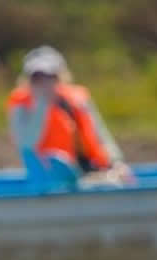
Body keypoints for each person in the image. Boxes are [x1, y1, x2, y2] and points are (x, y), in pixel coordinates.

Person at [7, 46, 131, 183]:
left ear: (60, 76)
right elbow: (27, 143)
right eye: (37, 77)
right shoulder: (21, 106)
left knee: (115, 179)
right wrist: (41, 105)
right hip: (48, 177)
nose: (44, 82)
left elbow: (100, 134)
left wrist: (116, 162)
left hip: (88, 172)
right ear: (28, 79)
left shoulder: (77, 99)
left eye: (50, 76)